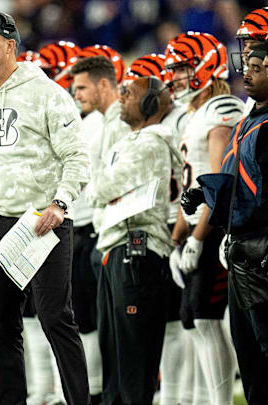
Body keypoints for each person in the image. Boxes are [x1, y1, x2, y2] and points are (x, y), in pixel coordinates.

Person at [0, 13, 90, 405]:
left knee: (55, 318)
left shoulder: (47, 93)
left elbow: (77, 156)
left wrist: (60, 203)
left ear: (10, 45)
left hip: (42, 221)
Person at [182, 41, 268, 405]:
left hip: (261, 251)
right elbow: (239, 180)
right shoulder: (250, 117)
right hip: (240, 250)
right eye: (246, 65)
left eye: (258, 67)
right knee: (249, 357)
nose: (246, 73)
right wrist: (207, 195)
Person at [86, 76, 181, 405]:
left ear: (151, 104)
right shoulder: (132, 141)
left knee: (132, 362)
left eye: (130, 93)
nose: (122, 97)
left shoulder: (150, 143)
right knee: (114, 355)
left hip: (137, 252)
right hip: (119, 248)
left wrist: (101, 184)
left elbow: (99, 189)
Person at [165, 32, 243, 405]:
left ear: (205, 66)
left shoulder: (222, 108)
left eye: (182, 68)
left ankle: (221, 401)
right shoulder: (194, 115)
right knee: (192, 317)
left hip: (216, 226)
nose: (176, 77)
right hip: (198, 225)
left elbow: (218, 181)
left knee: (207, 316)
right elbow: (190, 184)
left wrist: (198, 236)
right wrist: (178, 238)